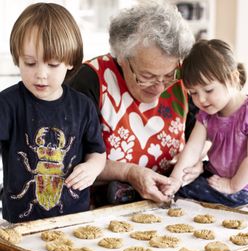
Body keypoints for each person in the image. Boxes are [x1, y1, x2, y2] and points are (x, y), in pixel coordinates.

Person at [68, 1, 201, 207]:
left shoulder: (182, 78)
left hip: (166, 206)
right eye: (146, 76)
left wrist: (197, 162)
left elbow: (205, 134)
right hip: (99, 211)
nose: (159, 86)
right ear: (121, 56)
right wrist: (129, 172)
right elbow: (70, 159)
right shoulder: (91, 80)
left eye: (168, 75)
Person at [0, 3, 106, 223]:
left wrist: (92, 168)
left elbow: (98, 152)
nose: (40, 74)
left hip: (73, 219)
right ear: (17, 58)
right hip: (18, 222)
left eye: (52, 64)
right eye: (29, 63)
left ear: (69, 62)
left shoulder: (83, 106)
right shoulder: (7, 104)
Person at [162, 39, 248, 207]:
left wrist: (232, 185)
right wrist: (175, 179)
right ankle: (131, 191)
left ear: (233, 78)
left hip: (241, 187)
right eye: (193, 93)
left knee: (190, 192)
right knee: (177, 183)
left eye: (208, 90)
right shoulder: (207, 115)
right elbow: (192, 149)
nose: (200, 99)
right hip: (215, 177)